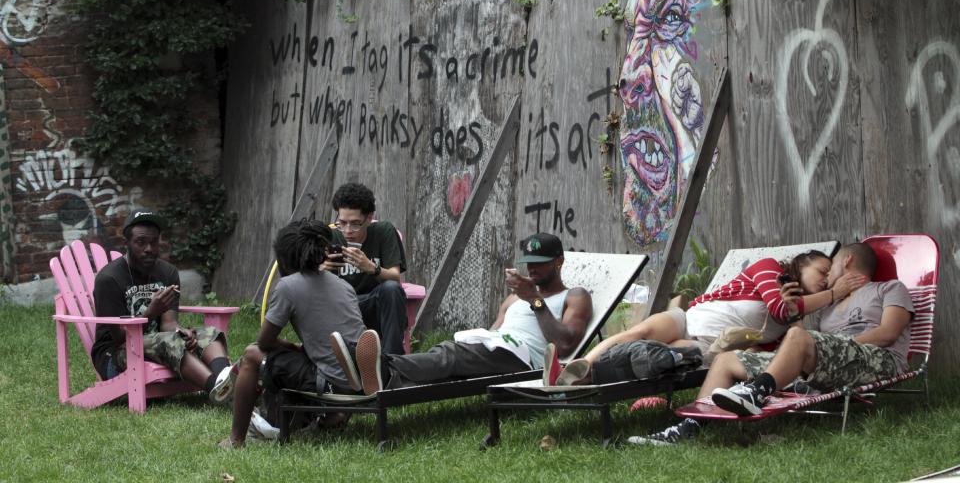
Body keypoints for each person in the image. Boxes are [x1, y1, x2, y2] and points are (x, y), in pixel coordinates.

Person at [633, 242, 914, 446]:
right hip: (826, 360)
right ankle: (690, 428)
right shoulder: (828, 309)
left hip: (876, 361)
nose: (828, 277)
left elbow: (888, 333)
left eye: (832, 266)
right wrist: (794, 315)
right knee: (727, 360)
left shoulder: (889, 289)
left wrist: (827, 344)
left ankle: (756, 392)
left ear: (848, 261)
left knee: (803, 339)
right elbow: (800, 341)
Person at [332, 232, 593, 393]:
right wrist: (481, 340)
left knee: (450, 355)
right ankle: (382, 380)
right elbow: (495, 332)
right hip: (498, 349)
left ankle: (381, 366)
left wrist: (535, 300)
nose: (532, 270)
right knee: (448, 362)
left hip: (527, 359)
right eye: (529, 264)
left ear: (559, 262)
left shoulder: (574, 295)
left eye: (540, 264)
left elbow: (566, 344)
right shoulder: (515, 297)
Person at [558, 249, 866, 385]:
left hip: (707, 348)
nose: (826, 280)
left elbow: (782, 339)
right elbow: (776, 306)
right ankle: (574, 368)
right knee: (639, 332)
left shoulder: (794, 314)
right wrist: (833, 294)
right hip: (692, 319)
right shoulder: (769, 267)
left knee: (652, 355)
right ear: (802, 264)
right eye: (822, 272)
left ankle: (586, 377)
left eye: (829, 278)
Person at [219, 219, 366, 449]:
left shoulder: (288, 286)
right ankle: (332, 416)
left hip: (330, 383)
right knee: (305, 360)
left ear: (283, 260)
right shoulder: (342, 285)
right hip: (360, 379)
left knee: (251, 355)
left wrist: (292, 347)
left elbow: (264, 342)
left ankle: (235, 440)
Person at [91, 210, 232, 400]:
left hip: (158, 342)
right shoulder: (109, 279)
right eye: (141, 242)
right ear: (127, 243)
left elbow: (168, 324)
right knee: (167, 342)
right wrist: (150, 313)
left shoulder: (167, 273)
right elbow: (119, 337)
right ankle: (221, 392)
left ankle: (228, 381)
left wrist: (180, 332)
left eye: (154, 242)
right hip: (115, 356)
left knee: (208, 334)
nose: (149, 248)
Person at [325, 182, 408, 354]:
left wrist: (371, 267)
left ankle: (393, 362)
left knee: (392, 289)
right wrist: (322, 269)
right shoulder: (330, 237)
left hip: (372, 304)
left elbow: (395, 277)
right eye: (342, 222)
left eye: (355, 224)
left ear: (369, 218)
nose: (348, 230)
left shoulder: (383, 231)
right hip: (341, 308)